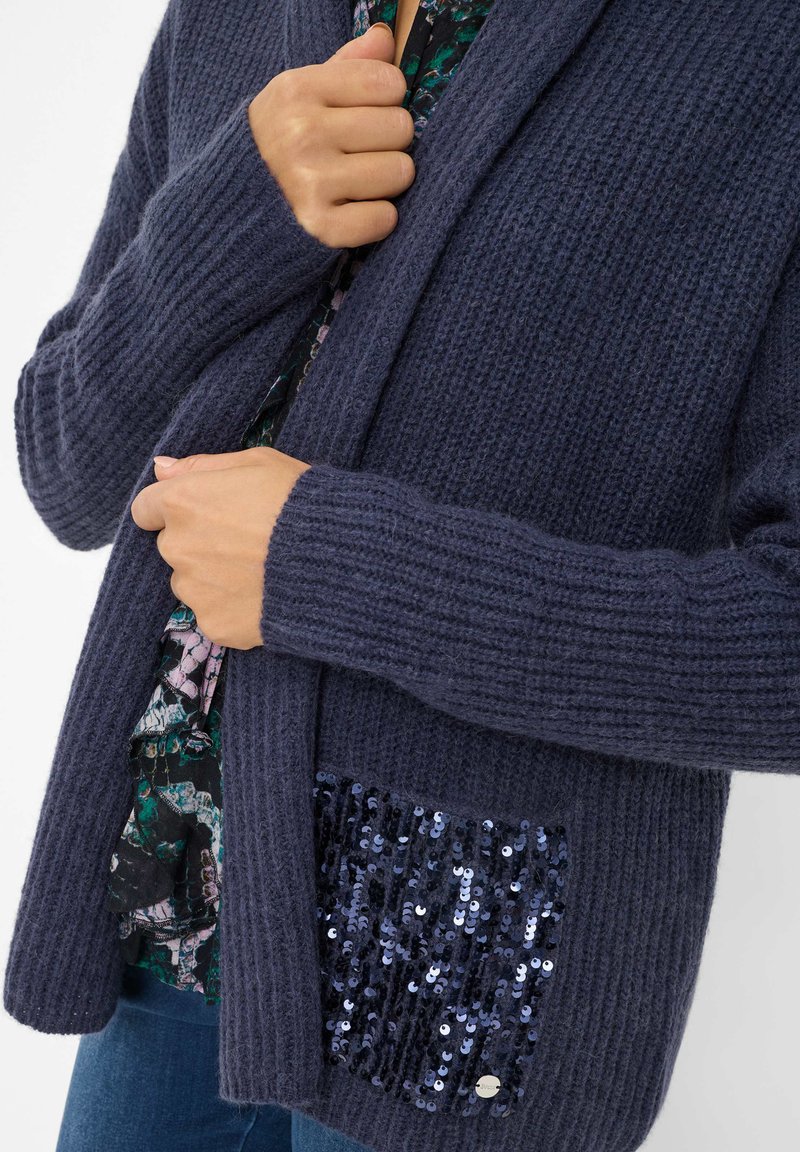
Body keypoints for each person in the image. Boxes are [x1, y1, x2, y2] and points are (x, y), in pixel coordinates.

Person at [6, 1, 800, 1151]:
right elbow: (65, 468)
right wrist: (233, 213)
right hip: (161, 911)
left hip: (455, 974)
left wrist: (324, 563)